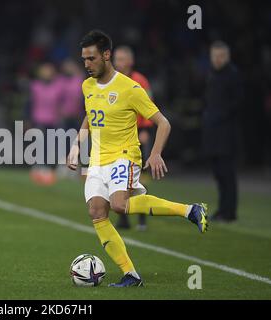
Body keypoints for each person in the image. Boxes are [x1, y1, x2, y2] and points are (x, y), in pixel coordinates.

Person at [67, 30, 208, 288]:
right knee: (97, 212)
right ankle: (131, 274)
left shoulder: (131, 88)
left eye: (91, 58)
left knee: (119, 205)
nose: (86, 64)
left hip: (124, 155)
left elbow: (163, 123)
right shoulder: (87, 86)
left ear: (106, 55)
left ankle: (188, 210)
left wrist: (154, 153)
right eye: (84, 59)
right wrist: (77, 146)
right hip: (97, 159)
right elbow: (89, 115)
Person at [113, 45, 154, 231]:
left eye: (122, 59)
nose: (119, 63)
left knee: (138, 178)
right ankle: (123, 218)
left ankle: (142, 218)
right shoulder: (112, 80)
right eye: (117, 59)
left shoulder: (140, 81)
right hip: (118, 135)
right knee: (119, 178)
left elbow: (148, 107)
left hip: (137, 133)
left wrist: (146, 129)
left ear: (131, 61)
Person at [203, 41, 243, 223]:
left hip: (227, 134)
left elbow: (238, 103)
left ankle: (230, 212)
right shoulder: (212, 74)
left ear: (227, 57)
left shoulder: (233, 75)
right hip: (213, 133)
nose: (217, 59)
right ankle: (222, 209)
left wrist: (219, 115)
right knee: (218, 174)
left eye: (221, 56)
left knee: (227, 174)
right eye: (214, 56)